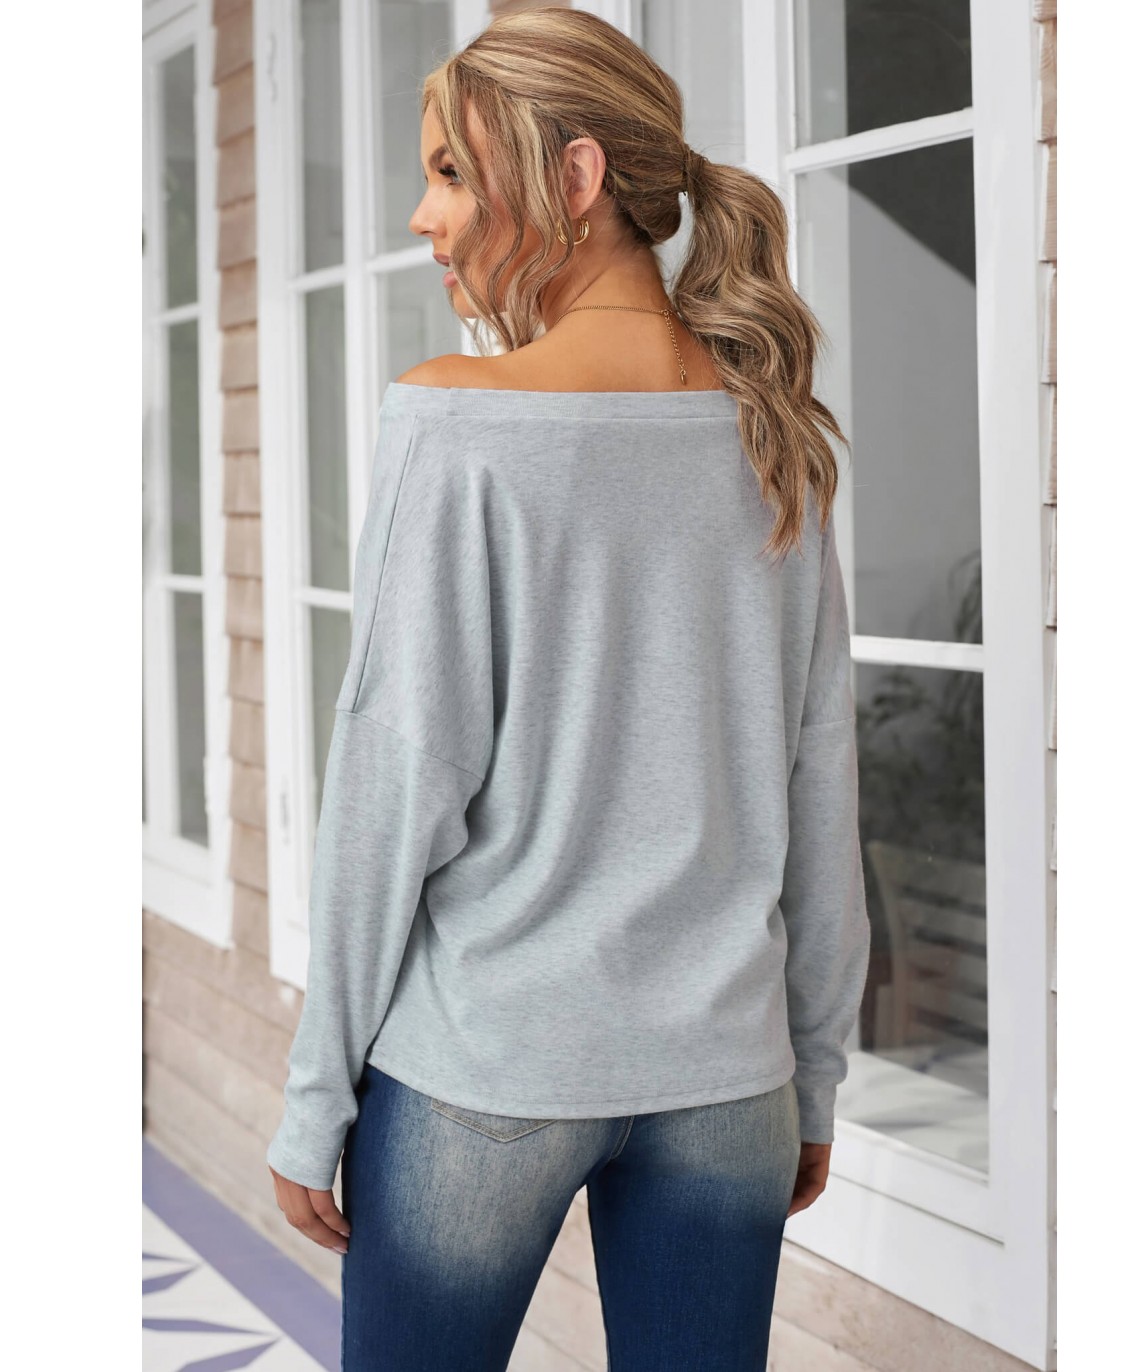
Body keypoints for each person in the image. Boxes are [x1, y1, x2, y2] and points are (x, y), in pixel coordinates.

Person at [266, 8, 870, 1370]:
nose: (423, 216)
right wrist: (813, 1070)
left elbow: (394, 778)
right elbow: (820, 778)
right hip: (729, 1084)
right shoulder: (772, 433)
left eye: (450, 173)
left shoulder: (457, 422)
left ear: (577, 178)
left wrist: (316, 1097)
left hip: (487, 1072)